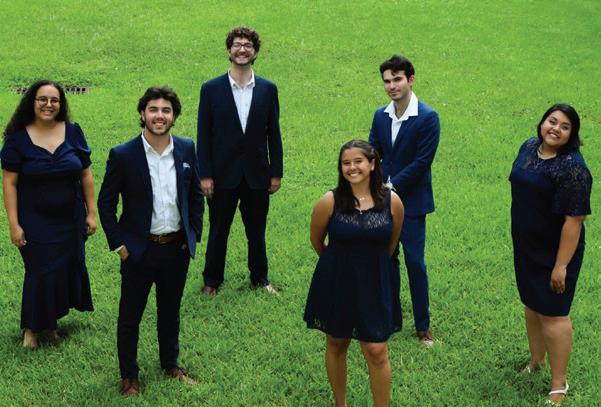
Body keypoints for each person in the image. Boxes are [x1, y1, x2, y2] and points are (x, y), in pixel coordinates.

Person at [97, 86, 204, 396]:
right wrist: (120, 245)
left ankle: (170, 364)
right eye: (153, 109)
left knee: (170, 311)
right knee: (130, 316)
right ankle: (129, 376)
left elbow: (195, 195)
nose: (160, 115)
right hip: (138, 251)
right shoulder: (123, 154)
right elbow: (106, 203)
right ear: (142, 113)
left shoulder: (186, 148)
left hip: (176, 248)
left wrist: (192, 234)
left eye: (166, 110)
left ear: (174, 116)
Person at [304, 140, 404, 407]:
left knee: (377, 350)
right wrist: (340, 264)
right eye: (345, 163)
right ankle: (341, 404)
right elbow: (317, 240)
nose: (352, 167)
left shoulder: (392, 201)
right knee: (337, 343)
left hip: (375, 282)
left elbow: (391, 244)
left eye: (358, 161)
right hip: (338, 280)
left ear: (372, 164)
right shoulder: (329, 201)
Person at [1, 80, 95, 350]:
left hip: (70, 217)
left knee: (63, 269)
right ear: (32, 102)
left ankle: (50, 324)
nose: (48, 105)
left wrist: (91, 213)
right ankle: (31, 329)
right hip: (34, 220)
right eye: (42, 99)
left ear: (60, 104)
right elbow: (9, 183)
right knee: (40, 271)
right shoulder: (17, 139)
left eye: (54, 100)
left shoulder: (73, 132)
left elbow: (86, 174)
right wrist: (14, 224)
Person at [509, 104, 592, 405]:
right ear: (542, 122)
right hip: (527, 246)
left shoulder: (573, 168)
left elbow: (574, 220)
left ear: (572, 134)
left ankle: (559, 383)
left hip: (556, 252)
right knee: (532, 305)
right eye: (552, 121)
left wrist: (561, 265)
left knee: (553, 314)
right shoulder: (529, 148)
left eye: (564, 126)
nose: (555, 128)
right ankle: (536, 360)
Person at [197, 25, 283, 296]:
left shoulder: (268, 89)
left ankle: (260, 278)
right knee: (218, 230)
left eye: (248, 45)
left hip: (258, 174)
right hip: (222, 175)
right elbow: (203, 135)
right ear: (229, 50)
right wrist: (205, 174)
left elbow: (274, 133)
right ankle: (212, 281)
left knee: (256, 232)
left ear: (255, 52)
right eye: (237, 45)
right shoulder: (211, 89)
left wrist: (276, 172)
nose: (242, 49)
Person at [368, 54, 440, 346]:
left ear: (411, 79)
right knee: (386, 259)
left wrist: (389, 187)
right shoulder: (380, 115)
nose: (391, 86)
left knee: (415, 262)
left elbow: (422, 162)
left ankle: (423, 325)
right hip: (383, 201)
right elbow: (374, 153)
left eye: (397, 79)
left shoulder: (428, 117)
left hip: (412, 203)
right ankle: (390, 318)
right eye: (387, 81)